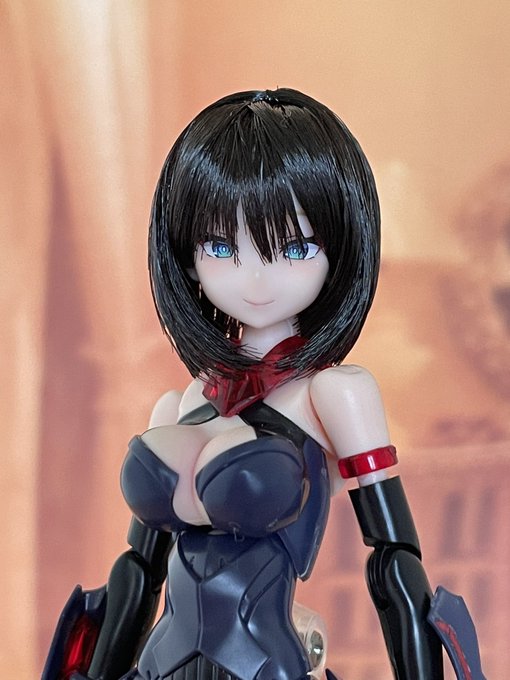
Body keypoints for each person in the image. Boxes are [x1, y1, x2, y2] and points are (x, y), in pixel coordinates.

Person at [45, 88, 445, 680]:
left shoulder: (333, 395)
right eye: (221, 246)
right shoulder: (185, 401)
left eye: (295, 247)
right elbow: (138, 568)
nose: (256, 279)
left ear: (338, 251)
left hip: (261, 663)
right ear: (187, 258)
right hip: (158, 664)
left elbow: (393, 560)